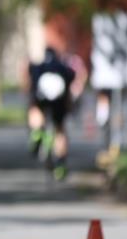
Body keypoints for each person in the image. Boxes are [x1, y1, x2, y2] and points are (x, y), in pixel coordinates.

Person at [26, 46, 84, 180]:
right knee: (60, 129)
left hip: (42, 96)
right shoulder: (64, 68)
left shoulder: (37, 67)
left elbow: (31, 89)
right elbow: (69, 90)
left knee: (36, 110)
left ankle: (37, 132)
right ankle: (60, 165)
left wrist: (32, 103)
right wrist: (68, 108)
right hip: (59, 98)